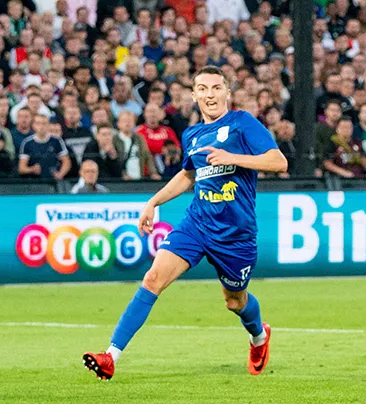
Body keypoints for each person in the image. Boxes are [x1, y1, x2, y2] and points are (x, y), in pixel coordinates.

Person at [82, 67, 288, 381]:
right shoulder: (192, 134)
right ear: (194, 96)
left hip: (236, 233)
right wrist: (154, 201)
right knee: (152, 279)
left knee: (235, 301)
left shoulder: (242, 123)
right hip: (197, 224)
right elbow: (189, 176)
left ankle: (259, 336)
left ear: (227, 93)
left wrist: (233, 158)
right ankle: (110, 356)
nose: (210, 95)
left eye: (217, 88)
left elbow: (278, 161)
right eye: (203, 89)